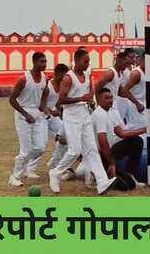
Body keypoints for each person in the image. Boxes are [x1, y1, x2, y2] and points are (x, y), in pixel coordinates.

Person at [48, 49, 117, 195]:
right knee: (74, 150)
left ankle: (102, 182)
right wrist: (81, 99)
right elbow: (61, 100)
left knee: (92, 149)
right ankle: (55, 172)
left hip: (84, 115)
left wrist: (89, 101)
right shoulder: (68, 78)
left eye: (88, 61)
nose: (87, 64)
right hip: (71, 116)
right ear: (77, 60)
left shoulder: (86, 76)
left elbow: (88, 94)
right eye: (85, 61)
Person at [8, 52, 49, 187]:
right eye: (42, 61)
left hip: (37, 114)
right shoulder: (24, 79)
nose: (44, 64)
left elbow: (45, 91)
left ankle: (21, 161)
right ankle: (15, 177)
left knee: (40, 148)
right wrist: (25, 114)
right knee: (26, 149)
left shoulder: (45, 78)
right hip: (23, 115)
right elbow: (12, 99)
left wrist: (43, 107)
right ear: (34, 62)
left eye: (45, 61)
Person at [91, 87, 146, 187]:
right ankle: (100, 173)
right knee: (123, 186)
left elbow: (121, 133)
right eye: (106, 98)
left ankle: (130, 174)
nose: (110, 100)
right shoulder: (99, 114)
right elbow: (102, 142)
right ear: (99, 99)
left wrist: (144, 130)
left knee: (137, 141)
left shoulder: (112, 112)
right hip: (102, 154)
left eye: (111, 97)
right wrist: (111, 162)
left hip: (112, 149)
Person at [122, 50, 150, 131]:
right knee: (139, 131)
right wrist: (137, 104)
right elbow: (125, 91)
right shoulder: (136, 73)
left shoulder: (149, 72)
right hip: (137, 108)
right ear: (142, 60)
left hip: (148, 108)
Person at [94, 50, 130, 114]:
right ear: (118, 60)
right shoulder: (110, 73)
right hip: (105, 106)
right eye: (126, 63)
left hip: (113, 105)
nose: (126, 66)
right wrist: (99, 104)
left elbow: (121, 92)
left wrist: (135, 102)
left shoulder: (120, 74)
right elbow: (97, 86)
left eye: (128, 64)